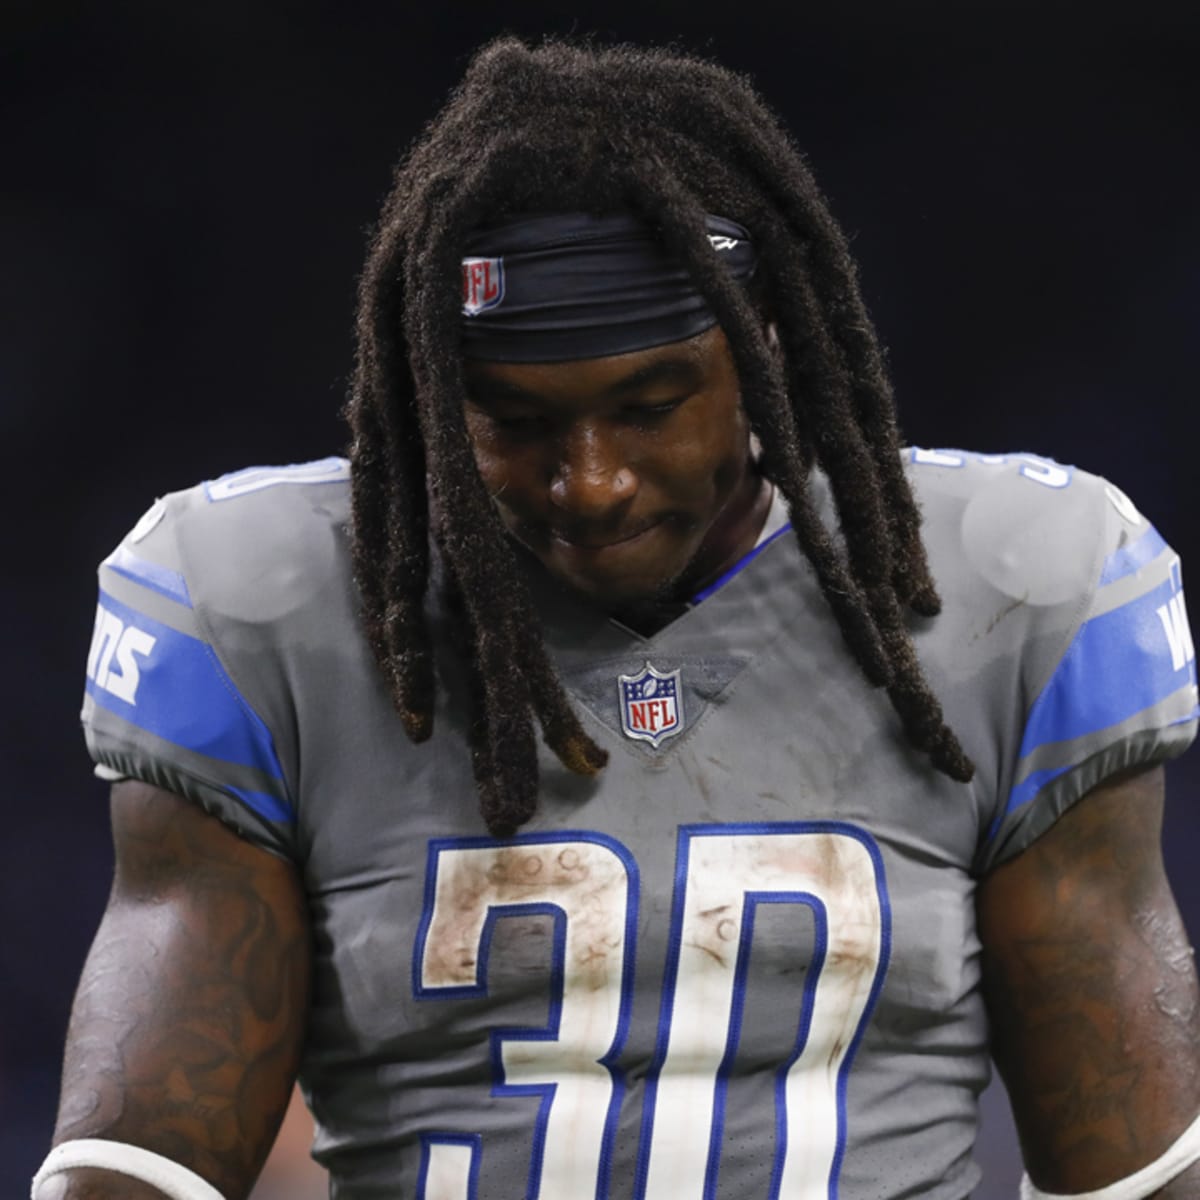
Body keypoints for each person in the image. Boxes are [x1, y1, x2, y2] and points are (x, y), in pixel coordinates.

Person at [36, 35, 1200, 1200]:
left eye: (651, 406)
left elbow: (1135, 1171)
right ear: (429, 394)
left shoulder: (1017, 589)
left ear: (764, 357)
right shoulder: (265, 606)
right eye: (514, 419)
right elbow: (144, 1162)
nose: (588, 482)